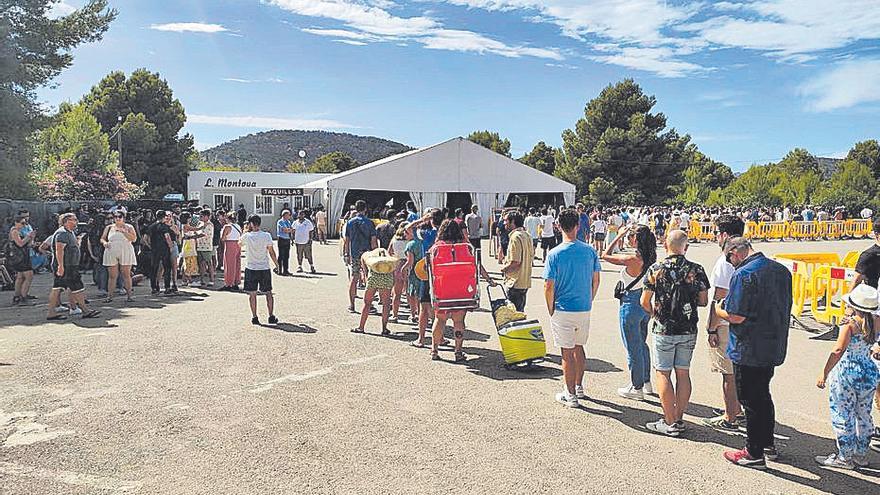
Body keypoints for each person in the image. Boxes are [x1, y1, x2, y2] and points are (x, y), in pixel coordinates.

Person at [715, 237, 792, 469]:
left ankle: (753, 452)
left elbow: (737, 316)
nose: (731, 262)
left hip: (749, 346)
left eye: (730, 257)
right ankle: (766, 442)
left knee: (750, 398)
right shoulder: (781, 271)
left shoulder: (743, 274)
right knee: (762, 394)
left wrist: (720, 310)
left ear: (737, 252)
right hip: (773, 343)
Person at [641, 230, 709, 436]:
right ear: (686, 247)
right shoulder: (696, 269)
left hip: (664, 328)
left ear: (665, 246)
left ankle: (669, 421)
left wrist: (655, 313)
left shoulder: (656, 269)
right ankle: (679, 417)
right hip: (688, 328)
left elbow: (644, 301)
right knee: (683, 373)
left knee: (663, 373)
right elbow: (704, 300)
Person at [815, 284, 880, 469]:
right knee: (863, 413)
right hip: (868, 371)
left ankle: (845, 457)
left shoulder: (850, 324)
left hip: (847, 372)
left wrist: (824, 372)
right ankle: (860, 454)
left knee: (843, 414)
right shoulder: (876, 321)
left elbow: (838, 350)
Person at [544, 208, 601, 408]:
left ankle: (570, 394)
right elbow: (596, 280)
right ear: (578, 226)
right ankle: (578, 386)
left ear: (558, 226)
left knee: (566, 353)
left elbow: (549, 285)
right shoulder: (590, 251)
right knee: (579, 347)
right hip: (583, 307)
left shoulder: (554, 254)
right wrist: (589, 299)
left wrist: (550, 307)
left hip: (563, 307)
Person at [602, 224, 656, 400]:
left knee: (632, 347)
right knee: (642, 343)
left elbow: (605, 255)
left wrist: (618, 236)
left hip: (630, 302)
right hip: (645, 300)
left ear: (636, 239)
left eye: (630, 236)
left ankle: (636, 386)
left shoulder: (632, 258)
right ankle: (646, 382)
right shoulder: (651, 257)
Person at [428, 219, 494, 362]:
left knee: (439, 321)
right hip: (462, 292)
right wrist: (489, 279)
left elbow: (428, 269)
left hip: (442, 291)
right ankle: (458, 352)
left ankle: (434, 350)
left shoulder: (436, 249)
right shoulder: (466, 247)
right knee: (459, 322)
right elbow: (477, 266)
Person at [703, 215, 746, 431]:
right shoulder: (748, 254)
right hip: (745, 322)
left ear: (726, 235)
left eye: (717, 232)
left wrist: (711, 327)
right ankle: (737, 408)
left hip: (726, 322)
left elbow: (720, 296)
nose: (715, 237)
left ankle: (731, 416)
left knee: (728, 372)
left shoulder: (724, 261)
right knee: (739, 370)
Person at [46, 213, 99, 320]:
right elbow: (59, 250)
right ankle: (84, 311)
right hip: (66, 266)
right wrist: (60, 266)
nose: (76, 221)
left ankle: (83, 310)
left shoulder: (69, 232)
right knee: (71, 288)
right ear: (66, 221)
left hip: (69, 266)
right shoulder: (62, 233)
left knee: (68, 288)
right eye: (74, 219)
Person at [407, 209, 444, 348]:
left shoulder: (427, 234)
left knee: (424, 307)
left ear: (431, 219)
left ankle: (421, 339)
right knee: (439, 309)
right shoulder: (444, 234)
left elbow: (409, 227)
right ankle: (440, 338)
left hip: (427, 272)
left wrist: (422, 219)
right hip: (441, 274)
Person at [240, 215, 279, 325]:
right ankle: (271, 315)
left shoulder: (247, 236)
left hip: (251, 267)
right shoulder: (266, 235)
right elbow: (271, 252)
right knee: (268, 293)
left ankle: (255, 316)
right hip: (264, 267)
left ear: (251, 224)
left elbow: (239, 244)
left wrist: (245, 230)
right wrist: (277, 264)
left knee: (252, 294)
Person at [352, 248, 397, 336]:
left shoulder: (366, 255)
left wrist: (365, 278)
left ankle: (361, 327)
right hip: (387, 278)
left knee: (367, 303)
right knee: (386, 304)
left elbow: (365, 270)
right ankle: (384, 328)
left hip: (373, 278)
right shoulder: (387, 255)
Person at [343, 200, 378, 313]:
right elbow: (373, 241)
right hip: (367, 254)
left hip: (354, 253)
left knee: (354, 277)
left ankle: (352, 305)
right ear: (365, 209)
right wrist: (376, 253)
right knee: (369, 278)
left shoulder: (350, 222)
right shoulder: (370, 223)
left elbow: (347, 240)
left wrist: (346, 254)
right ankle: (369, 304)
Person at [499, 211, 533, 312]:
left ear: (512, 222)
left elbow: (515, 262)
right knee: (520, 312)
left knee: (513, 315)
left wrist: (503, 269)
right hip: (524, 280)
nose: (504, 223)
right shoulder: (526, 235)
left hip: (515, 282)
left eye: (506, 221)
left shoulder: (515, 237)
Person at [101, 210, 137, 302]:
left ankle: (129, 296)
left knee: (126, 274)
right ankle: (110, 297)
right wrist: (104, 243)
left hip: (125, 250)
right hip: (111, 250)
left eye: (119, 217)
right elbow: (102, 238)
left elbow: (134, 239)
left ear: (123, 218)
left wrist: (123, 231)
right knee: (112, 275)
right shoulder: (109, 227)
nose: (117, 219)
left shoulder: (129, 227)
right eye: (115, 217)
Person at [8, 214, 36, 305]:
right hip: (21, 257)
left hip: (23, 256)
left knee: (20, 277)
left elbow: (28, 245)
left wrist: (32, 238)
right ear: (16, 223)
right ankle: (23, 298)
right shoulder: (14, 231)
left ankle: (17, 296)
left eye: (25, 223)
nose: (24, 225)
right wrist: (28, 236)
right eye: (22, 223)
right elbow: (20, 244)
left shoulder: (19, 231)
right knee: (29, 276)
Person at [145, 210, 175, 295]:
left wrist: (150, 246)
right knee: (167, 268)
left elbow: (145, 238)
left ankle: (154, 287)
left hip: (155, 250)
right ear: (164, 217)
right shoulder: (164, 226)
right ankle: (167, 287)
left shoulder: (152, 226)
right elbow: (167, 237)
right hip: (164, 249)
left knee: (154, 268)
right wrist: (171, 246)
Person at [388, 223, 410, 322]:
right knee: (410, 292)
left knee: (397, 293)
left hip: (398, 264)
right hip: (409, 264)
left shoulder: (394, 240)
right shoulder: (410, 241)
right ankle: (414, 313)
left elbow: (389, 252)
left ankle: (395, 314)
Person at [220, 212, 242, 291]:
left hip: (229, 244)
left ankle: (229, 283)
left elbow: (222, 238)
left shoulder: (227, 226)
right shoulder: (238, 226)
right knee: (237, 264)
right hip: (237, 244)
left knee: (229, 264)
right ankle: (236, 282)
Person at [292, 209, 316, 273]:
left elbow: (311, 231)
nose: (301, 215)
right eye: (299, 214)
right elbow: (293, 231)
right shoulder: (295, 222)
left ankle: (311, 266)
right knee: (299, 255)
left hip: (306, 242)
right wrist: (292, 239)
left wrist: (310, 239)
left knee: (309, 255)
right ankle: (300, 266)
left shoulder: (308, 222)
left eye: (302, 214)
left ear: (304, 215)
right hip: (298, 242)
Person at [196, 210, 215, 286]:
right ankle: (202, 280)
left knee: (209, 263)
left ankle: (211, 280)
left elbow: (203, 234)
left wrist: (193, 236)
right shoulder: (200, 224)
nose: (200, 218)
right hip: (199, 246)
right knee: (201, 264)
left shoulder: (209, 225)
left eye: (202, 216)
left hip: (206, 246)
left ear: (206, 216)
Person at [276, 210, 293, 276]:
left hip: (287, 239)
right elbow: (285, 230)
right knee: (281, 255)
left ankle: (286, 270)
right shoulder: (280, 221)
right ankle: (279, 270)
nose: (289, 216)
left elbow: (292, 230)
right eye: (288, 214)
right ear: (285, 215)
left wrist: (290, 231)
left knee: (286, 256)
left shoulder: (288, 222)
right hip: (281, 239)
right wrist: (289, 230)